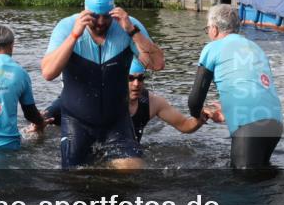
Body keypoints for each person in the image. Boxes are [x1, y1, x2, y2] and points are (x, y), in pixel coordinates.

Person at [40, 0, 165, 168]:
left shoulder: (129, 26)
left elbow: (157, 64)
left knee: (134, 171)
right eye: (94, 17)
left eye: (106, 16)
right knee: (73, 179)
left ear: (113, 12)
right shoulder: (66, 27)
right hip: (77, 120)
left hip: (116, 120)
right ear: (85, 12)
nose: (100, 22)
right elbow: (48, 73)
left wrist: (132, 31)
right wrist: (74, 35)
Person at [187, 4, 283, 168]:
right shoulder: (256, 48)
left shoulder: (213, 48)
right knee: (262, 180)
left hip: (250, 126)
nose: (208, 33)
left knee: (241, 187)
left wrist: (199, 114)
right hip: (276, 123)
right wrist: (228, 110)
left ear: (215, 29)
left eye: (207, 28)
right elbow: (254, 88)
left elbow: (195, 100)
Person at [39, 59, 225, 142]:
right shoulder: (100, 97)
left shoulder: (152, 103)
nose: (136, 84)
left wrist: (202, 117)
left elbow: (185, 125)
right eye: (130, 79)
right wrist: (40, 124)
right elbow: (65, 104)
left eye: (140, 78)